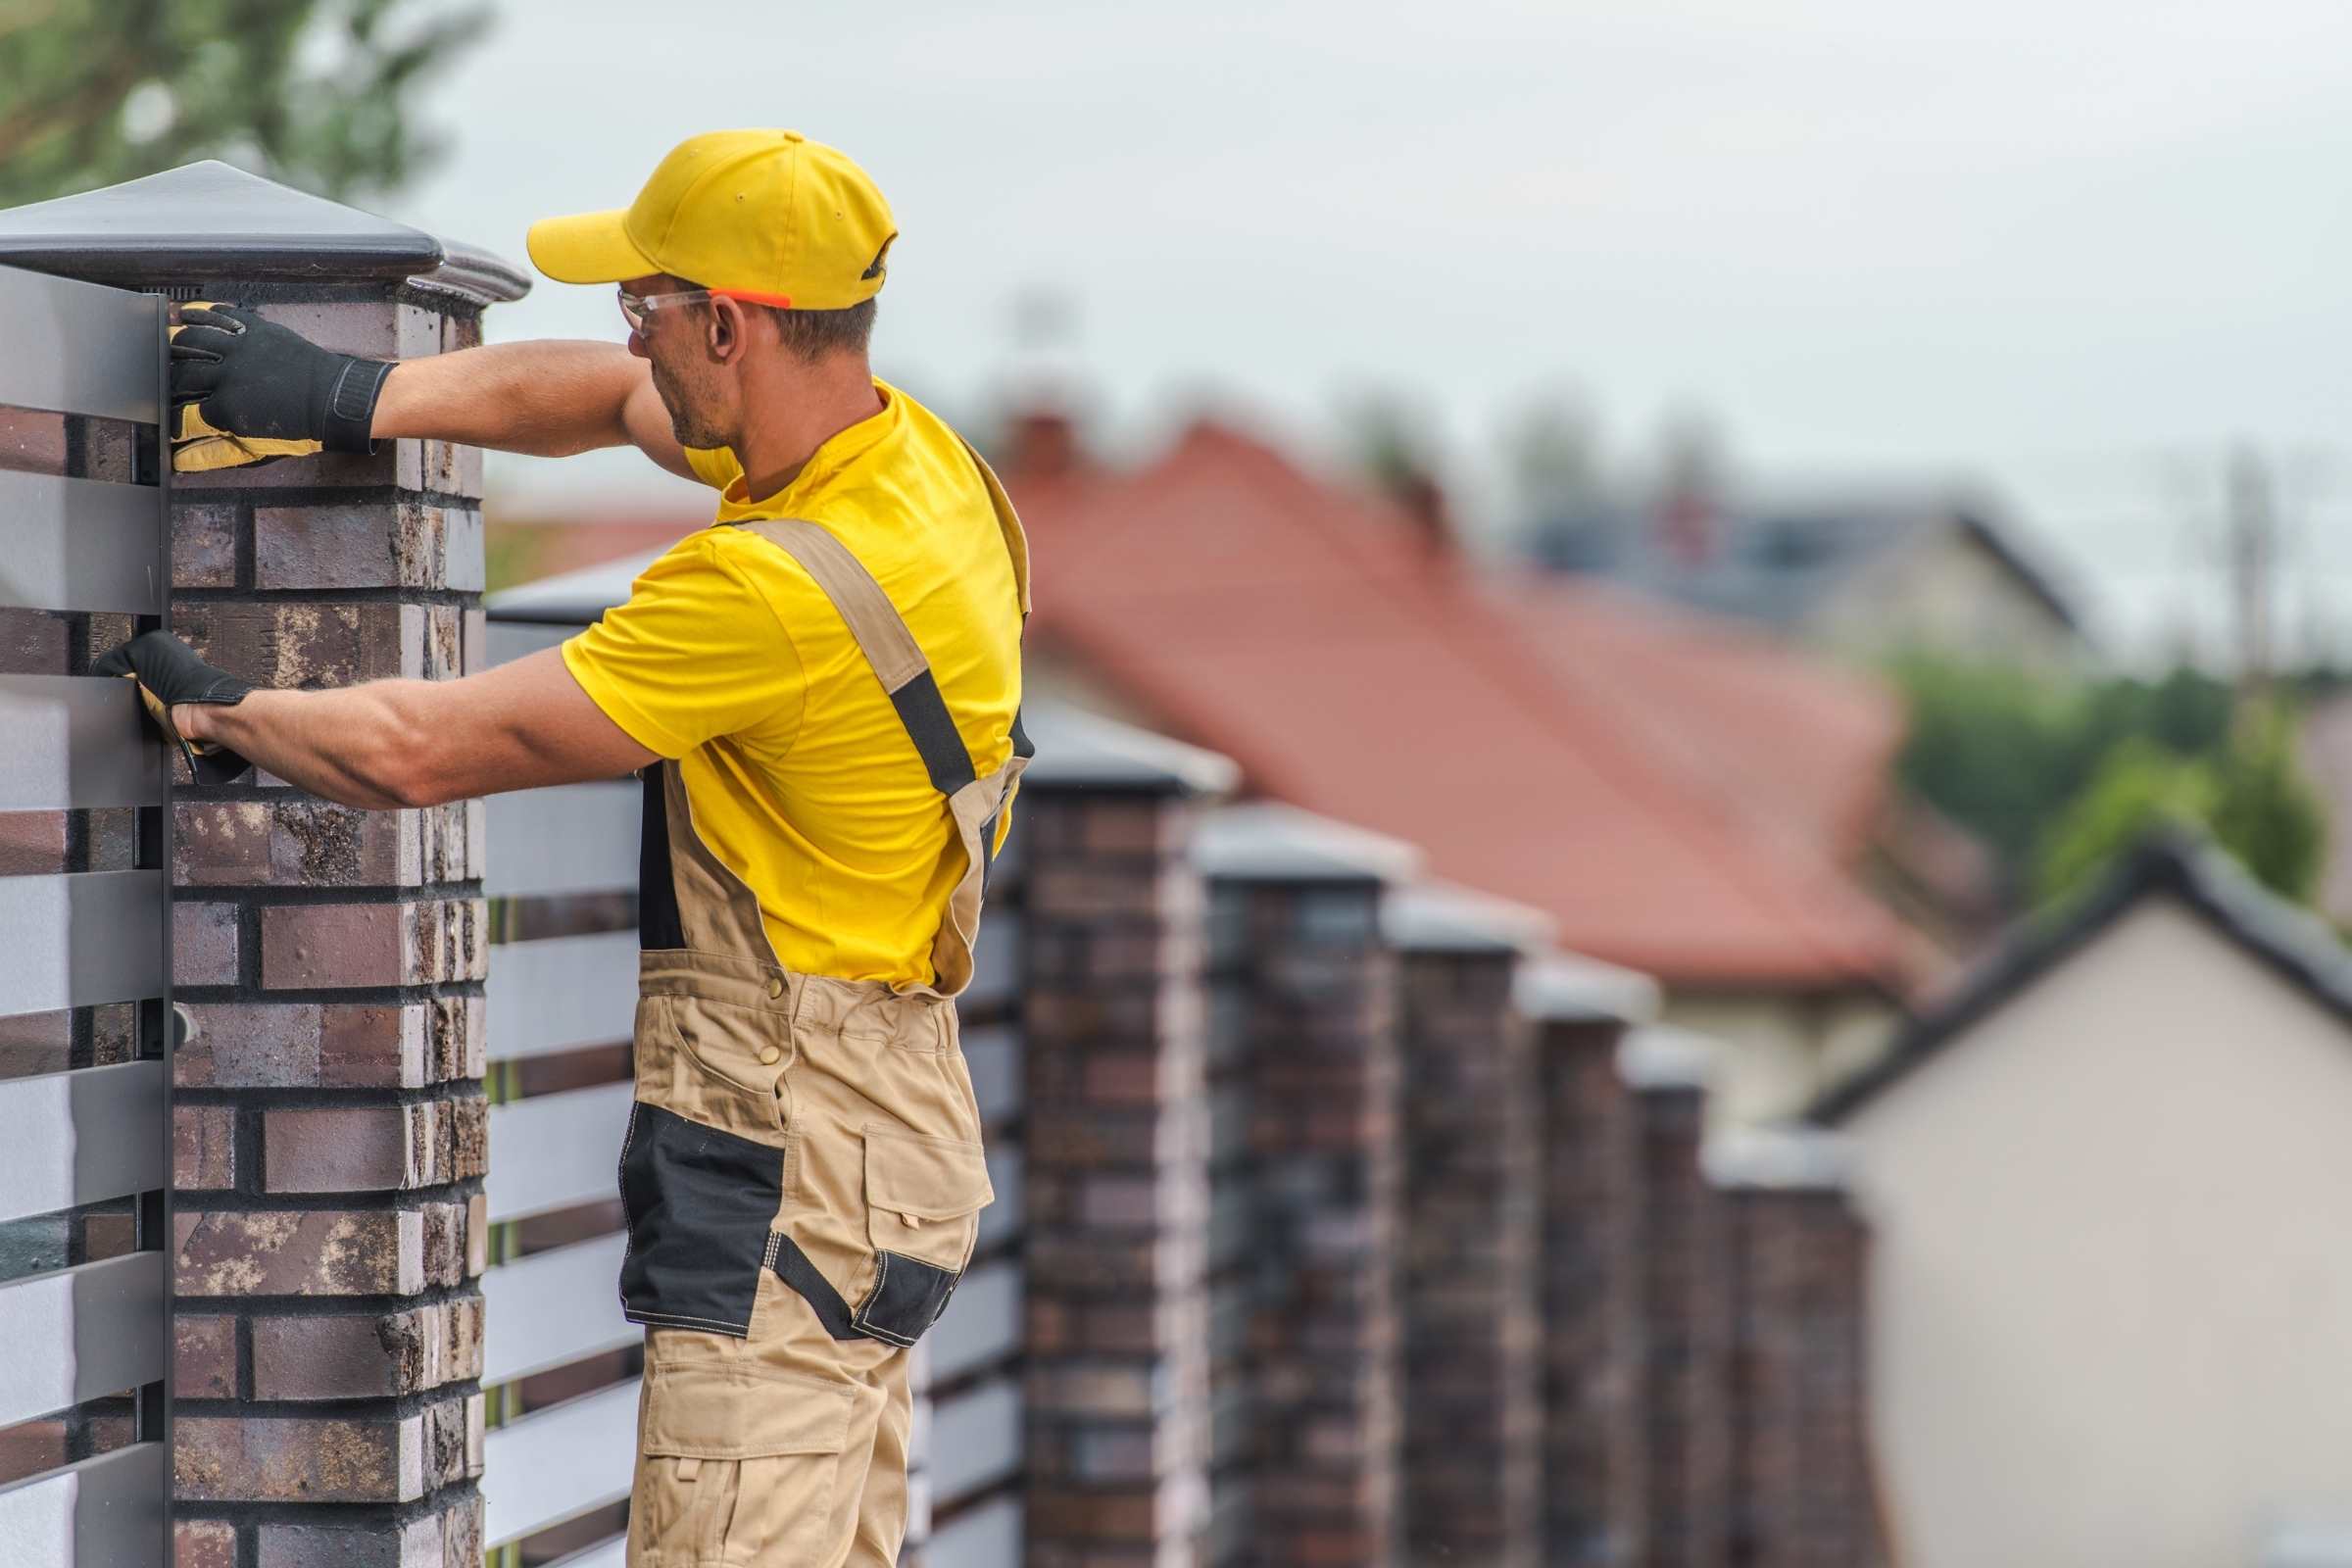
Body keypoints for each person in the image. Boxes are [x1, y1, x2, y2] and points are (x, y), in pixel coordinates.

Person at [103, 129, 1029, 1568]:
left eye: (645, 306)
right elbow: (608, 403)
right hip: (889, 1142)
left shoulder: (767, 594)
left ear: (732, 323)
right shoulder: (913, 473)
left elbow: (430, 748)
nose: (629, 337)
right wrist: (354, 394)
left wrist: (231, 712)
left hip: (785, 1150)